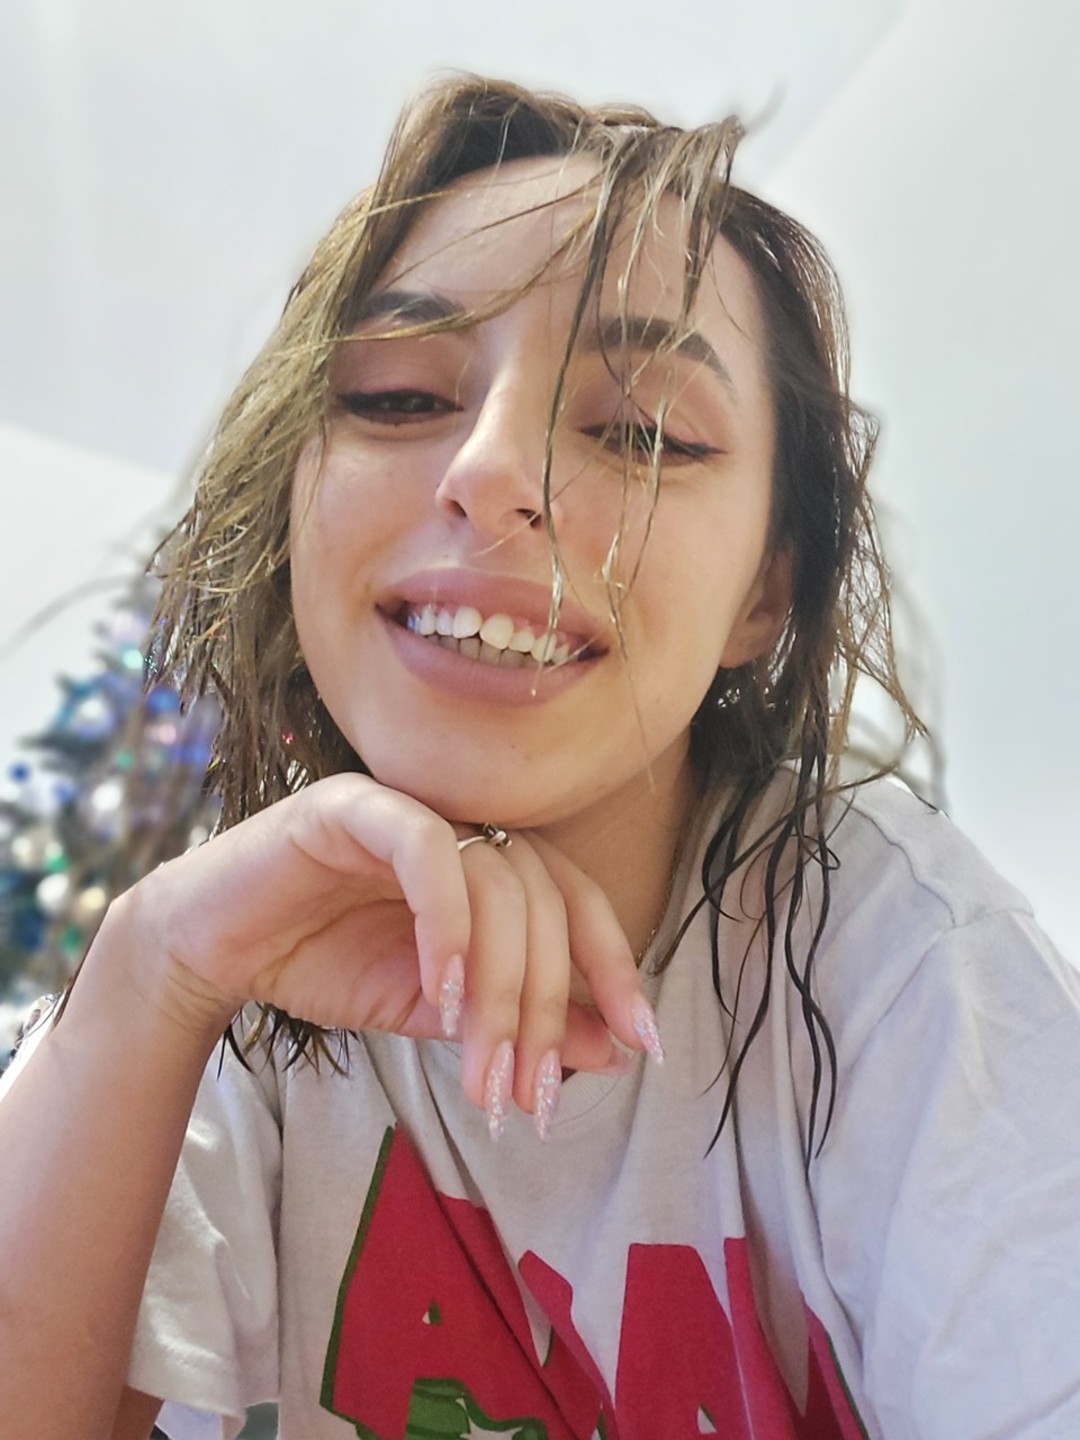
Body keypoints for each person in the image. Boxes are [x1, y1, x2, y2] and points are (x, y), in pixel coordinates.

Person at [1, 74, 1077, 1440]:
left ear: (766, 592)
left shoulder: (902, 966)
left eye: (643, 432)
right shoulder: (225, 976)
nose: (492, 471)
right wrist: (152, 970)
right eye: (397, 397)